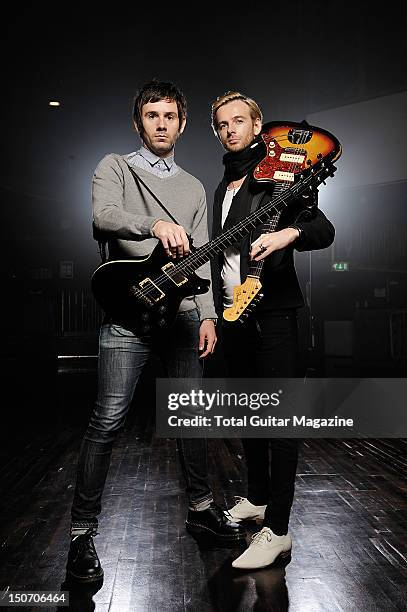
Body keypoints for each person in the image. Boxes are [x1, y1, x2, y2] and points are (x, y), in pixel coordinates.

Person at [66, 80, 245, 582]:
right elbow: (102, 218)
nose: (161, 123)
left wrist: (208, 313)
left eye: (170, 116)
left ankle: (202, 508)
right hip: (128, 315)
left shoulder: (191, 186)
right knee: (107, 423)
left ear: (183, 124)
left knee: (192, 417)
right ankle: (81, 534)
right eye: (152, 115)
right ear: (138, 123)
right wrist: (153, 226)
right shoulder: (114, 166)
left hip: (183, 314)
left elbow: (205, 255)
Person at [210, 91, 335, 570]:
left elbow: (323, 229)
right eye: (222, 124)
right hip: (233, 315)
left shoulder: (285, 176)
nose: (230, 130)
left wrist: (289, 233)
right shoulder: (222, 186)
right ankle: (258, 499)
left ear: (258, 126)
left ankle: (278, 530)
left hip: (277, 314)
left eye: (239, 121)